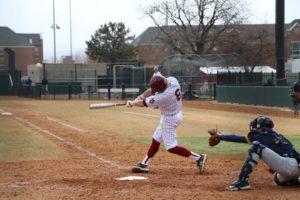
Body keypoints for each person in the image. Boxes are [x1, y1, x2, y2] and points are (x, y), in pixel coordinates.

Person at [126, 72, 207, 174]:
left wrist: (133, 103)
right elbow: (152, 89)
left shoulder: (164, 97)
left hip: (169, 119)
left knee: (171, 147)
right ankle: (144, 164)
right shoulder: (172, 80)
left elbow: (143, 103)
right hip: (175, 114)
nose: (155, 91)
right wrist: (138, 97)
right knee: (156, 139)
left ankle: (199, 157)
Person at [208, 116, 300, 191]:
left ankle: (242, 182)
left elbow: (239, 138)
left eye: (255, 127)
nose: (254, 129)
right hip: (294, 168)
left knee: (256, 146)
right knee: (278, 180)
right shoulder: (277, 136)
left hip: (288, 167)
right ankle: (296, 180)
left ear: (261, 127)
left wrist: (220, 136)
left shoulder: (261, 134)